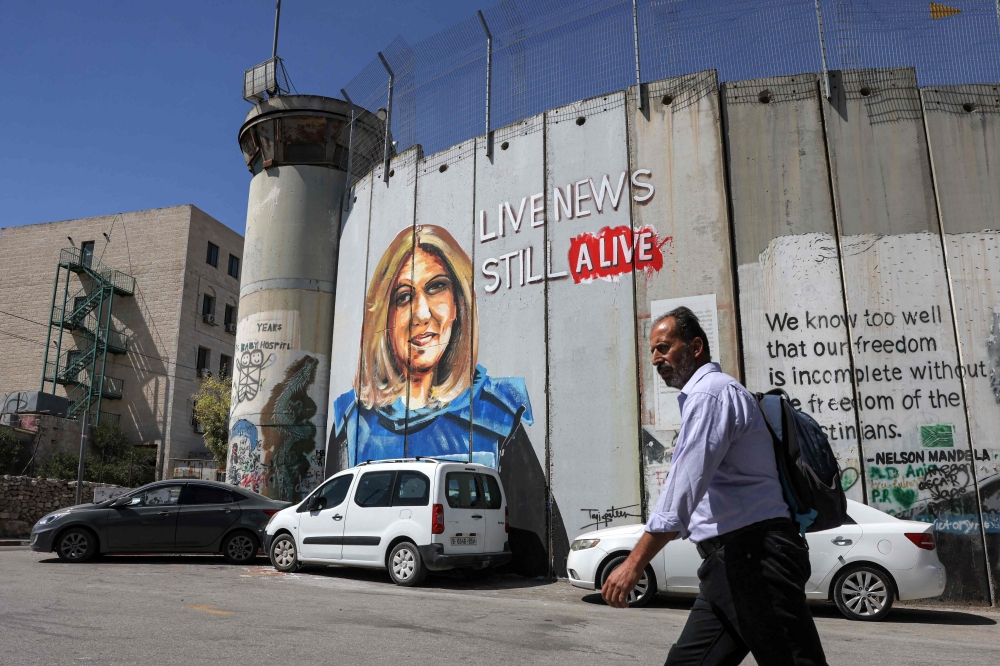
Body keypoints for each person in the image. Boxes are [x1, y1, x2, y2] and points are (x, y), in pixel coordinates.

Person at [328, 224, 569, 575]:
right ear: (384, 316)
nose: (422, 314)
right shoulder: (352, 421)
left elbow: (543, 545)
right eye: (404, 297)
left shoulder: (497, 416)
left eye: (436, 287)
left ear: (458, 304)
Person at [602, 307, 827, 666]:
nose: (656, 358)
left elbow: (681, 492)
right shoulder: (711, 395)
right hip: (729, 565)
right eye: (653, 351)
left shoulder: (711, 395)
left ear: (695, 347)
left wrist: (634, 563)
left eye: (664, 347)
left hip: (757, 560)